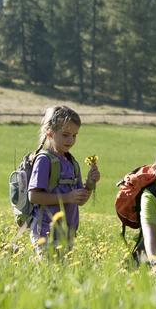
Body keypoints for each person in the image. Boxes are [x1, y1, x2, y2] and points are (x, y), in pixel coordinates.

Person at [28, 105, 100, 253]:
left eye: (74, 135)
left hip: (67, 234)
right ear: (50, 132)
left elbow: (80, 200)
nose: (71, 140)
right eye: (65, 135)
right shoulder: (44, 160)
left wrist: (90, 185)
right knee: (47, 273)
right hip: (45, 233)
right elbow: (34, 196)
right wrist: (67, 197)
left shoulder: (72, 163)